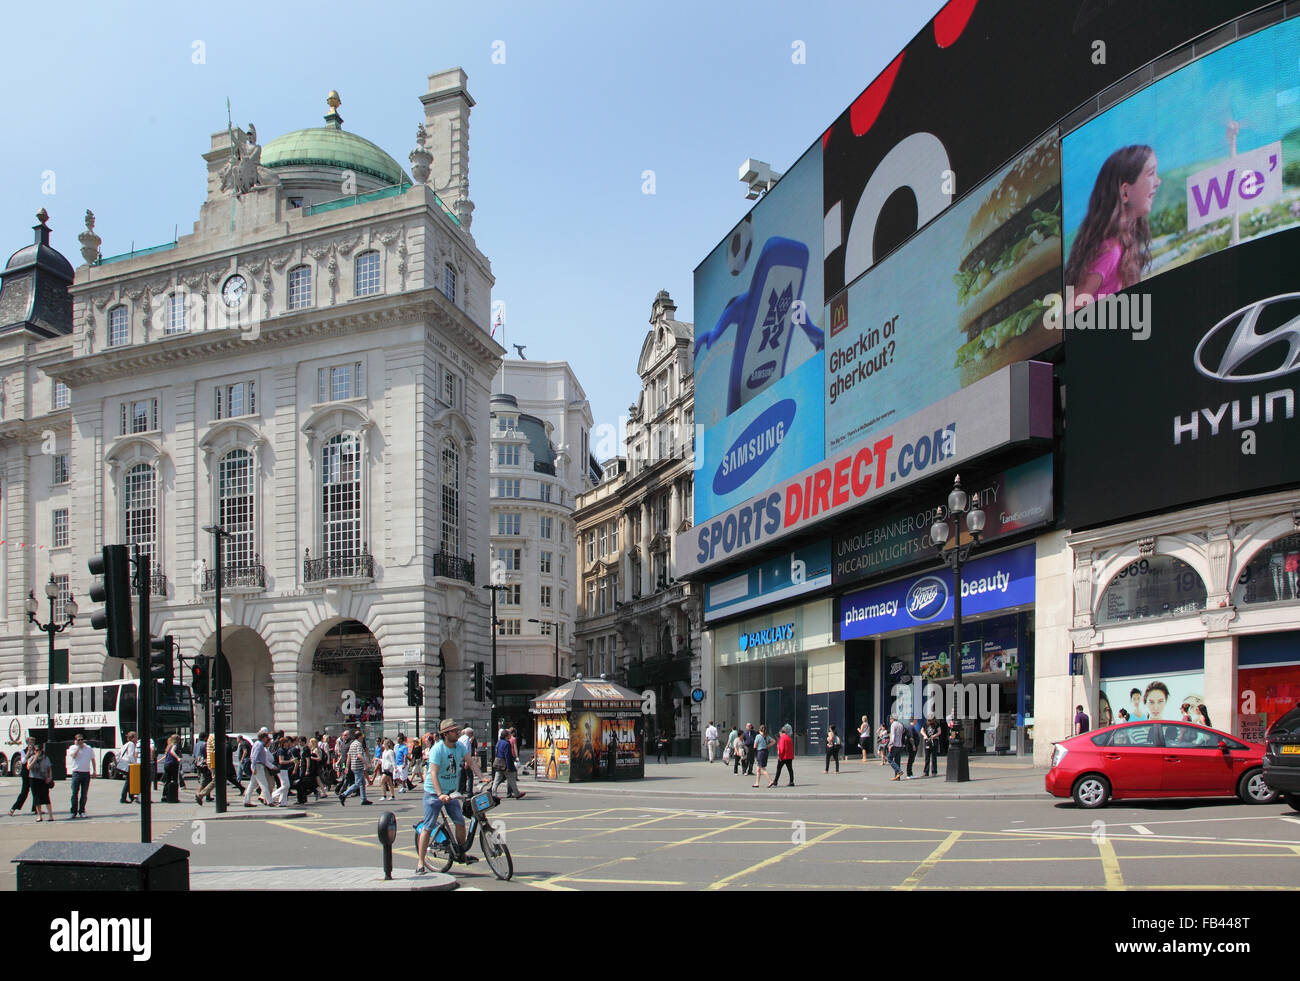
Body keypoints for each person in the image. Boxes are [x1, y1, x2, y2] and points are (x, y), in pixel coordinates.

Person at [1063, 144, 1159, 305]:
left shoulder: (1123, 247)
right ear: (1125, 192)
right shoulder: (1111, 251)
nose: (1158, 181)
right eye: (1151, 174)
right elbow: (1070, 310)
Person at [416, 722, 476, 874]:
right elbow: (433, 774)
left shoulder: (459, 747)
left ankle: (462, 854)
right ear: (445, 734)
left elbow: (470, 761)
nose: (457, 733)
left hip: (450, 791)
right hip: (433, 793)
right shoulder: (438, 749)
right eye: (453, 731)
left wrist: (482, 777)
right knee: (428, 827)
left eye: (457, 730)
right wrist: (439, 794)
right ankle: (420, 863)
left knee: (460, 822)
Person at [243, 730, 277, 807]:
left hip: (256, 765)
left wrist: (271, 766)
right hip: (258, 766)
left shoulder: (256, 743)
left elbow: (254, 756)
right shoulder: (260, 745)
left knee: (252, 784)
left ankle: (246, 801)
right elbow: (255, 756)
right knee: (264, 784)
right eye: (266, 737)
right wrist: (254, 767)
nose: (267, 739)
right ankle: (269, 802)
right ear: (263, 738)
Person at [491, 728, 527, 800]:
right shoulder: (507, 743)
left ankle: (493, 793)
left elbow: (496, 752)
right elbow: (507, 755)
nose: (510, 735)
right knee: (511, 779)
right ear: (506, 736)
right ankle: (517, 793)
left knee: (497, 779)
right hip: (505, 764)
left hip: (498, 763)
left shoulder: (499, 742)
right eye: (509, 734)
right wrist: (508, 766)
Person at [339, 732, 372, 805]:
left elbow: (349, 756)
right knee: (357, 783)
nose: (363, 738)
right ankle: (344, 795)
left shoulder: (352, 744)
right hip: (358, 766)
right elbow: (359, 755)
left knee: (362, 783)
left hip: (353, 766)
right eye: (362, 736)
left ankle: (363, 799)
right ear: (359, 737)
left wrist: (347, 767)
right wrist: (367, 764)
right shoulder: (359, 744)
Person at [68, 732, 94, 818]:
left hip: (86, 773)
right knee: (74, 793)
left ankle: (82, 811)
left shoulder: (88, 748)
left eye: (82, 739)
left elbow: (92, 759)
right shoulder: (72, 748)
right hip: (76, 773)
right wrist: (78, 747)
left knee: (84, 793)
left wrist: (94, 771)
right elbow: (73, 756)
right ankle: (73, 812)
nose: (80, 741)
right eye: (78, 740)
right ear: (75, 741)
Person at [8, 736, 36, 816]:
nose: (32, 744)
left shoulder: (36, 751)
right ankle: (13, 808)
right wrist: (28, 752)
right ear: (27, 743)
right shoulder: (23, 751)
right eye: (30, 742)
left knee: (35, 791)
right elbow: (23, 761)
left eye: (33, 742)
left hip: (34, 773)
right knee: (24, 792)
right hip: (26, 773)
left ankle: (36, 808)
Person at [28, 745, 54, 822]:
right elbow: (28, 767)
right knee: (36, 798)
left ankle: (50, 816)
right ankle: (39, 816)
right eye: (36, 750)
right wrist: (35, 758)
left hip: (43, 779)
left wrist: (50, 777)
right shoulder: (31, 758)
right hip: (34, 779)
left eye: (39, 750)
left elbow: (49, 768)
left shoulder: (46, 758)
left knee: (46, 797)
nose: (37, 752)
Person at [162, 734, 183, 803]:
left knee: (167, 781)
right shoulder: (175, 745)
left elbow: (166, 755)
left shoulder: (169, 746)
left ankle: (164, 796)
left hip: (167, 765)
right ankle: (174, 797)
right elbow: (172, 752)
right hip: (173, 764)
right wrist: (178, 758)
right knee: (174, 780)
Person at [751, 724, 771, 788]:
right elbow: (774, 741)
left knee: (762, 769)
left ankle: (770, 781)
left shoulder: (758, 736)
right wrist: (767, 746)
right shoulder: (767, 736)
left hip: (760, 752)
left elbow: (755, 746)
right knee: (758, 769)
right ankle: (756, 783)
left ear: (760, 730)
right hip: (765, 752)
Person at [888, 716, 905, 781]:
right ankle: (897, 777)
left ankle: (899, 771)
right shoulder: (901, 724)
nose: (890, 720)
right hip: (899, 744)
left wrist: (890, 744)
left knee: (889, 758)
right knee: (897, 761)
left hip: (894, 745)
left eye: (890, 719)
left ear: (892, 719)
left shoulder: (893, 725)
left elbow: (892, 735)